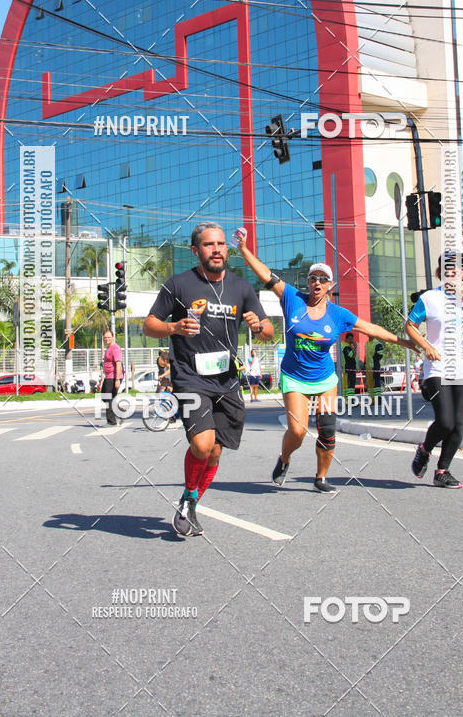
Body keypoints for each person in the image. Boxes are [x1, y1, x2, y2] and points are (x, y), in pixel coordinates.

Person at [235, 231, 417, 493]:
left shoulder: (338, 314)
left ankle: (320, 478)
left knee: (327, 429)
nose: (317, 283)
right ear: (307, 282)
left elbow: (372, 329)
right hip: (295, 376)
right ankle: (284, 459)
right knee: (297, 431)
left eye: (323, 279)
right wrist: (243, 249)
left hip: (324, 378)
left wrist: (405, 343)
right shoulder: (292, 298)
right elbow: (267, 274)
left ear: (330, 285)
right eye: (313, 278)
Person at [143, 223, 274, 537]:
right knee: (202, 444)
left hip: (227, 380)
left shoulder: (242, 288)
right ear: (195, 250)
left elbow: (270, 332)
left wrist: (257, 326)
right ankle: (189, 499)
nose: (216, 250)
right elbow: (149, 325)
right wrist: (173, 328)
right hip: (190, 377)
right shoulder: (179, 285)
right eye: (208, 245)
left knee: (216, 451)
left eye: (220, 244)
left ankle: (190, 502)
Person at [406, 252, 463, 489]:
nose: (453, 271)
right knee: (445, 421)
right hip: (437, 367)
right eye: (448, 268)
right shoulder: (429, 298)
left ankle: (442, 471)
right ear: (441, 271)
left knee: (458, 425)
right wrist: (426, 346)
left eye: (458, 268)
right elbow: (409, 327)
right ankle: (424, 449)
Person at [101, 329, 123, 425]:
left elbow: (118, 364)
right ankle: (120, 412)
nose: (107, 339)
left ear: (113, 337)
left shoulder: (115, 348)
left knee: (109, 398)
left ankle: (111, 421)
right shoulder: (108, 348)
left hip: (114, 377)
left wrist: (117, 380)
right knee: (104, 396)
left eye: (109, 337)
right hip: (108, 376)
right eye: (105, 338)